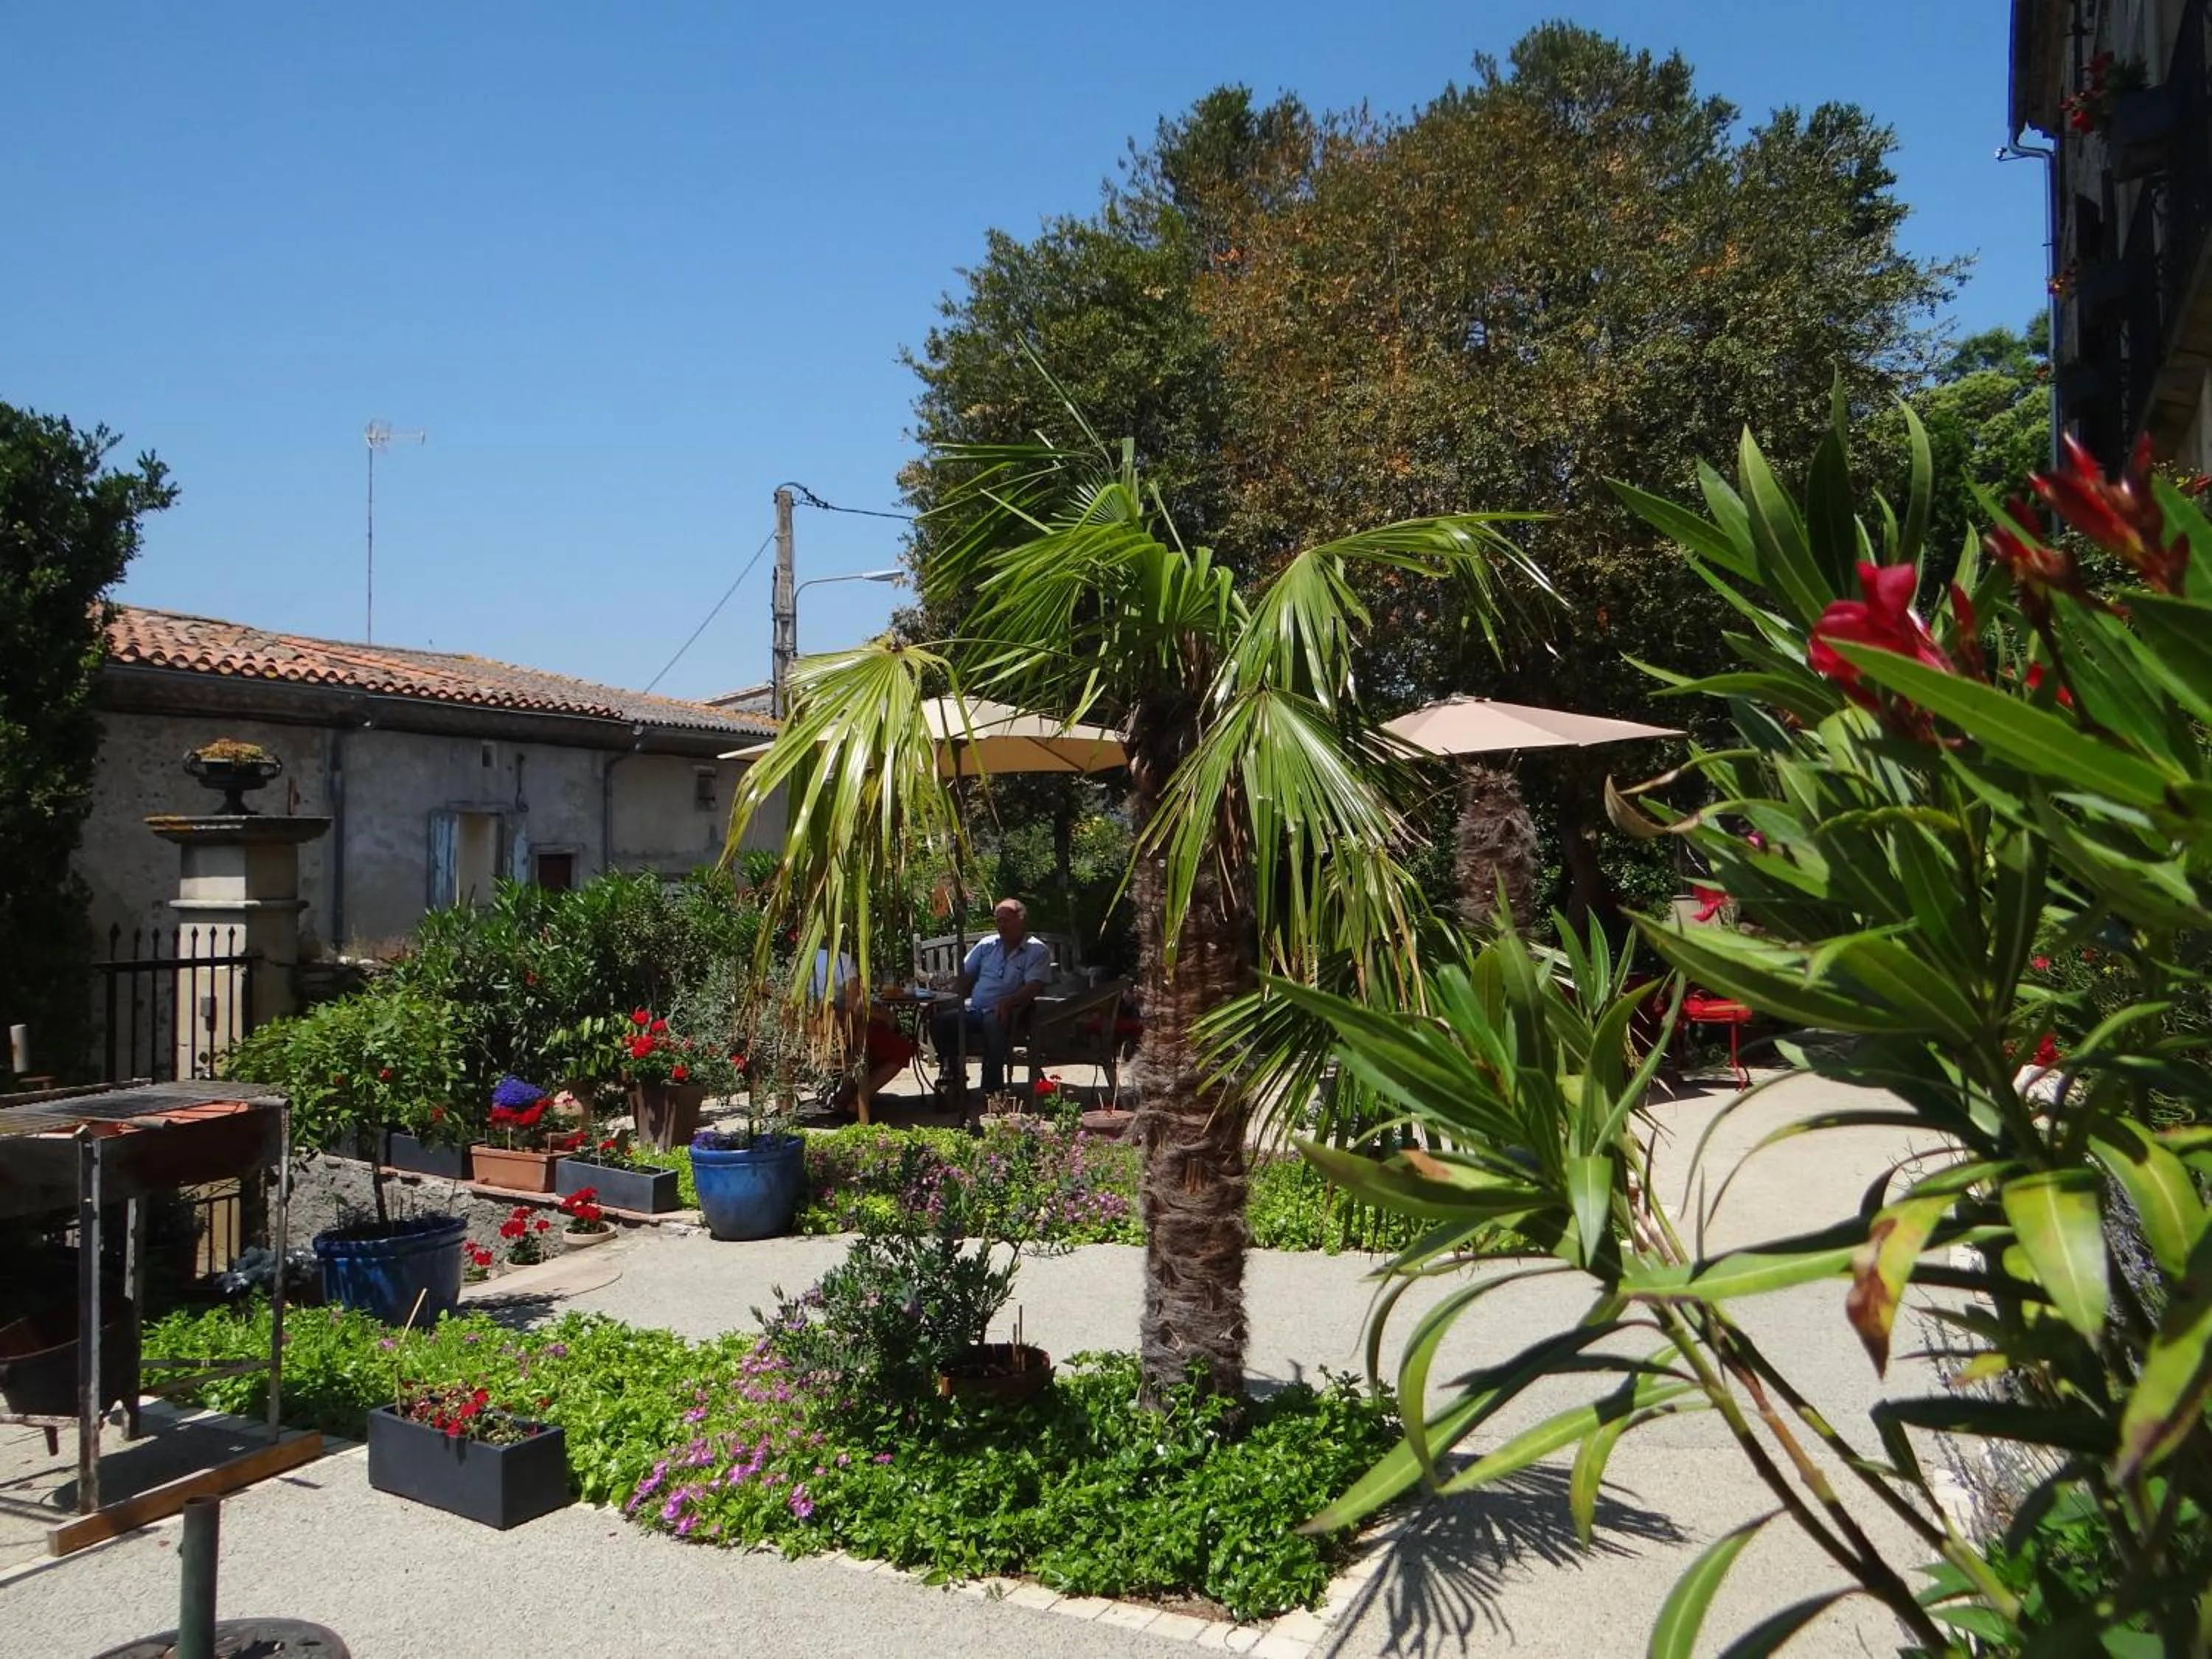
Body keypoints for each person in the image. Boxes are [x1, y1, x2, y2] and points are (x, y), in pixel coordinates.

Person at [930, 897, 1052, 1099]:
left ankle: (992, 1089)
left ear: (1021, 921)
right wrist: (947, 995)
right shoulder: (987, 945)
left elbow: (1033, 986)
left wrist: (1007, 1003)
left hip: (1014, 1013)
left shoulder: (1036, 951)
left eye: (1006, 921)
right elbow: (965, 976)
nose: (1001, 926)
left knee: (992, 1022)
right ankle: (954, 1075)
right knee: (939, 1022)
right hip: (976, 1010)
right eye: (998, 921)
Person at [809, 945, 919, 1116]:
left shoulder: (799, 960)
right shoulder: (841, 959)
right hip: (840, 1035)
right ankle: (857, 1101)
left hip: (807, 1036)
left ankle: (844, 1096)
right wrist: (887, 1016)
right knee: (901, 1047)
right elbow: (857, 1005)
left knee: (876, 1037)